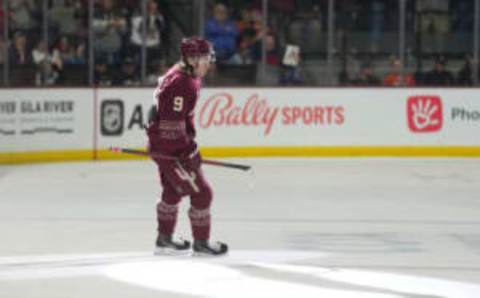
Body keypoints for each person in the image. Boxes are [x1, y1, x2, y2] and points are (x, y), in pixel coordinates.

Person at [146, 37, 228, 256]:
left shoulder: (183, 75)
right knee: (202, 194)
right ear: (191, 59)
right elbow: (170, 127)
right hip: (170, 150)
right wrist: (187, 153)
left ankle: (164, 240)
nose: (209, 63)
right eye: (205, 58)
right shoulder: (183, 83)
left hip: (162, 147)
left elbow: (161, 118)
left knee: (172, 191)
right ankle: (201, 243)